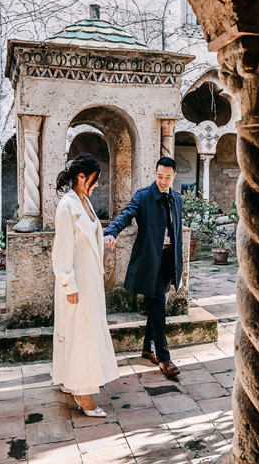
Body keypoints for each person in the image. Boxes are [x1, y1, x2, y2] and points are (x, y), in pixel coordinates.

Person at [51, 152, 119, 417]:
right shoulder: (66, 206)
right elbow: (63, 250)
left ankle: (71, 380)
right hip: (77, 282)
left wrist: (104, 242)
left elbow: (86, 239)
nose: (97, 185)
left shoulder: (84, 202)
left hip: (91, 280)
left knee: (86, 332)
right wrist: (69, 286)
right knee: (79, 335)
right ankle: (82, 392)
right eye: (95, 180)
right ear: (81, 177)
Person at [103, 156, 183, 378]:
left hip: (170, 261)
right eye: (159, 176)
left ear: (174, 176)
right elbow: (126, 215)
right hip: (151, 261)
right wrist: (111, 231)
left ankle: (148, 348)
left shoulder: (177, 199)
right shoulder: (144, 196)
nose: (163, 181)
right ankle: (165, 359)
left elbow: (177, 236)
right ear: (155, 174)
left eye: (167, 177)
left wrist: (180, 264)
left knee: (159, 305)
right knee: (158, 306)